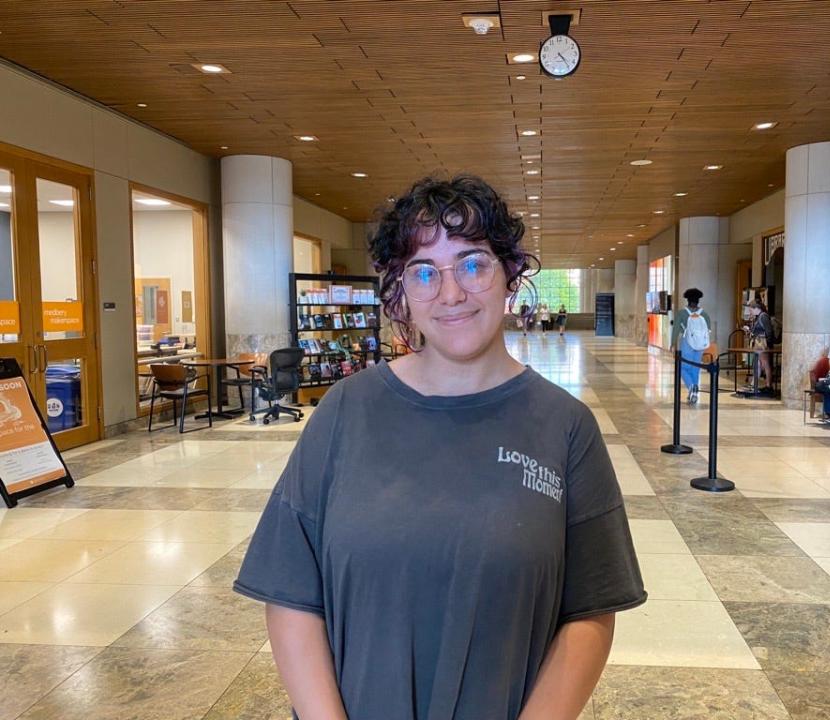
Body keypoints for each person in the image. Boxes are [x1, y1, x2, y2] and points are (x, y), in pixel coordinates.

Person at [234, 175, 646, 720]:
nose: (450, 293)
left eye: (473, 264)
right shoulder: (344, 411)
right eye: (423, 272)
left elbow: (590, 611)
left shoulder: (565, 426)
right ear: (401, 293)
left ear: (510, 276)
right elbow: (289, 591)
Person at [672, 287, 711, 404]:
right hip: (700, 345)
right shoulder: (704, 314)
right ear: (698, 301)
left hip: (687, 343)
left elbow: (676, 330)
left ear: (687, 300)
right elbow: (708, 330)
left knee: (683, 367)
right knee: (695, 368)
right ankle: (694, 392)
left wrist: (673, 344)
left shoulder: (682, 313)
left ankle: (691, 387)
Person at [744, 299, 775, 394]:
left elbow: (769, 331)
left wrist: (768, 345)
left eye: (751, 310)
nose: (750, 312)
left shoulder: (763, 316)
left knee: (765, 364)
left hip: (763, 344)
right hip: (759, 343)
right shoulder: (758, 317)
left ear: (756, 308)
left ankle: (768, 385)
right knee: (758, 364)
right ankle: (755, 384)